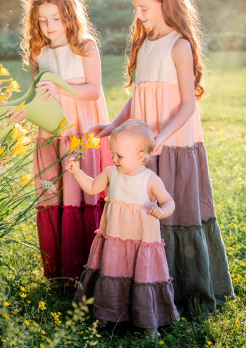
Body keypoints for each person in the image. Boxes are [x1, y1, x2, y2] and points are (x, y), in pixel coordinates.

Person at [91, 0, 234, 312]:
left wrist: (161, 138)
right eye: (135, 8)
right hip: (144, 146)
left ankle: (184, 289)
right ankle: (146, 285)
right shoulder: (145, 45)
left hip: (174, 144)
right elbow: (138, 95)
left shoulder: (179, 46)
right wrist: (114, 125)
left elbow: (188, 104)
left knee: (172, 211)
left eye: (144, 8)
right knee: (144, 214)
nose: (138, 16)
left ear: (165, 2)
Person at [19, 0, 112, 284]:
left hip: (80, 131)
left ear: (69, 16)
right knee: (54, 192)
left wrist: (59, 86)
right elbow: (38, 94)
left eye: (56, 18)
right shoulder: (39, 53)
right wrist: (23, 108)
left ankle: (87, 268)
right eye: (43, 20)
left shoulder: (84, 46)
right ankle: (60, 272)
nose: (49, 26)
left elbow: (93, 90)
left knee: (80, 192)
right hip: (51, 132)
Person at [68, 119, 180, 335]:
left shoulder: (150, 180)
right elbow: (92, 186)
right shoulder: (112, 173)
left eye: (119, 155)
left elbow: (169, 202)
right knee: (112, 273)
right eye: (113, 153)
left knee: (142, 278)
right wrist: (76, 172)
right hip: (115, 240)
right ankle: (106, 315)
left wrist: (162, 211)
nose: (114, 158)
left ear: (140, 156)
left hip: (141, 243)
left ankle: (148, 323)